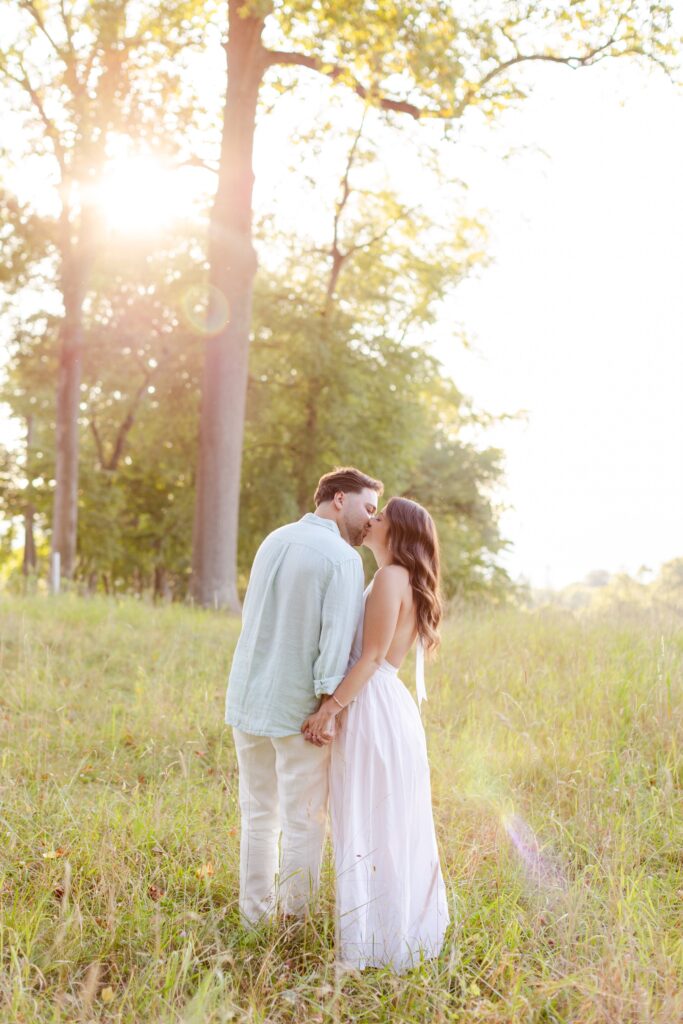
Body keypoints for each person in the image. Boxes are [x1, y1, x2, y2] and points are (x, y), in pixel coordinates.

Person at [225, 466, 383, 925]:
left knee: (258, 816)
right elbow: (334, 644)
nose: (370, 521)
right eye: (367, 508)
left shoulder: (273, 539)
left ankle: (254, 920)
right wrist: (328, 708)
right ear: (339, 500)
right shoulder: (342, 558)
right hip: (299, 711)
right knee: (303, 822)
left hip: (248, 698)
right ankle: (293, 929)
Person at [302, 496, 449, 972]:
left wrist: (330, 709)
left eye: (380, 516)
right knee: (379, 823)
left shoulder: (390, 578)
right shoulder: (397, 578)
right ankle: (386, 935)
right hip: (386, 704)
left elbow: (371, 657)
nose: (371, 520)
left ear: (398, 530)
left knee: (365, 821)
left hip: (372, 706)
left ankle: (368, 947)